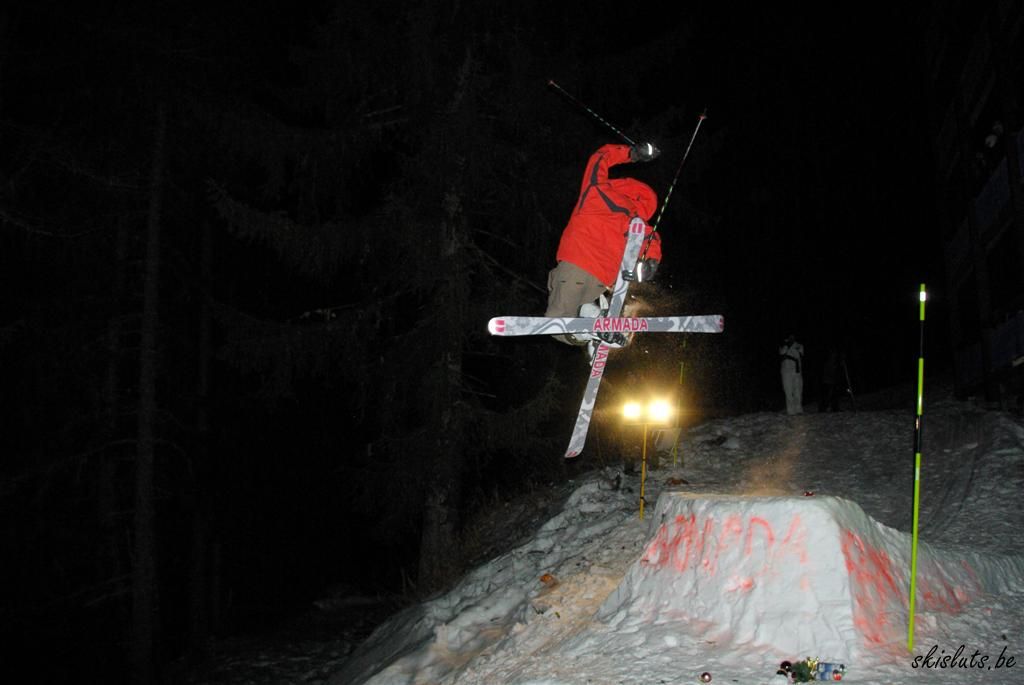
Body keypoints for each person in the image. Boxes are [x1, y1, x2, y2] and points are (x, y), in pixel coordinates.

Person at [545, 142, 662, 348]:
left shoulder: (595, 191)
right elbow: (651, 240)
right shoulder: (636, 222)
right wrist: (651, 263)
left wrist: (632, 153)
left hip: (576, 265)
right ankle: (595, 327)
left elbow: (599, 157)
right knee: (573, 319)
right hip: (602, 283)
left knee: (558, 322)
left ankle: (592, 327)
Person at [778, 334, 804, 415]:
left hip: (797, 372)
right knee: (788, 391)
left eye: (793, 336)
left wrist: (788, 356)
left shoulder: (799, 345)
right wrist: (786, 345)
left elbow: (800, 355)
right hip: (786, 372)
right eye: (790, 336)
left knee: (798, 391)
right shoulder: (783, 345)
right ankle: (790, 411)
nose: (791, 338)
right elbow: (782, 354)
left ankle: (798, 409)